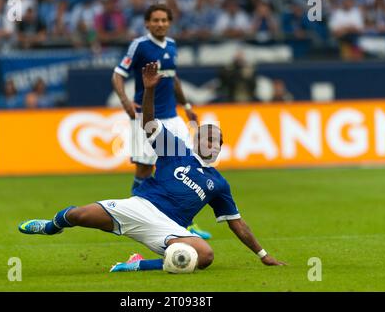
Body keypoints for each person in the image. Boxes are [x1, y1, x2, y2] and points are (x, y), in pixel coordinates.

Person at [18, 62, 286, 272]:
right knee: (78, 215)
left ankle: (136, 265)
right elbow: (148, 124)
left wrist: (263, 255)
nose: (213, 143)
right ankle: (50, 226)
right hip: (140, 207)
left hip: (169, 229)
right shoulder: (175, 150)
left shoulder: (219, 183)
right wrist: (148, 90)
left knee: (204, 255)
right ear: (196, 139)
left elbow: (236, 224)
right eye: (208, 137)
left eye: (218, 140)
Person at [111, 4, 211, 239]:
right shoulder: (140, 45)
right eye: (155, 20)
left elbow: (173, 78)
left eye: (164, 20)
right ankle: (131, 216)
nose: (160, 24)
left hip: (173, 118)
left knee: (184, 168)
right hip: (146, 119)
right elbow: (117, 74)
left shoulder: (173, 45)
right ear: (147, 23)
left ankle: (186, 223)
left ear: (169, 22)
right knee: (145, 169)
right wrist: (125, 101)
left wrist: (187, 107)